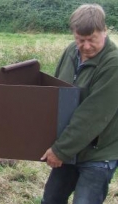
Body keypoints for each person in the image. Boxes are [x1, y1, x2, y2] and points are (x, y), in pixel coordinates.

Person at [40, 4, 118, 204]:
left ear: (105, 31)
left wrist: (60, 150)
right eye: (80, 40)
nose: (86, 46)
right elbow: (56, 93)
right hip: (70, 146)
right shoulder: (70, 52)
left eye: (92, 39)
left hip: (98, 152)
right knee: (51, 199)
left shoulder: (113, 64)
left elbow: (93, 115)